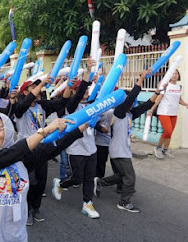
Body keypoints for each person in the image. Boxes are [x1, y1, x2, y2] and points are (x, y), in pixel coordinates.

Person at [0, 111, 86, 242]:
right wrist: (44, 131)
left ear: (8, 130)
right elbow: (12, 153)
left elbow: (53, 148)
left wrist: (82, 126)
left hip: (15, 235)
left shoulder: (20, 159)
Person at [95, 69, 160, 213]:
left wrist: (158, 91)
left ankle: (100, 182)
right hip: (118, 150)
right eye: (126, 100)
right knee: (130, 177)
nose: (131, 103)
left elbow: (147, 105)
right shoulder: (118, 113)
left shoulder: (130, 114)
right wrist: (141, 79)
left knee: (122, 175)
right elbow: (131, 98)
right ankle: (124, 202)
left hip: (124, 150)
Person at [14, 74, 72, 224]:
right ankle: (25, 209)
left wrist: (69, 86)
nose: (38, 90)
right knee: (28, 182)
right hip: (26, 149)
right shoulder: (19, 107)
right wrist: (42, 84)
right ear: (25, 92)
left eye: (38, 87)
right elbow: (24, 104)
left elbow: (61, 103)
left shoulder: (42, 105)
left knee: (40, 182)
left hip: (41, 147)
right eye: (33, 88)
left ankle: (35, 208)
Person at [51, 59, 101, 219]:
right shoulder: (70, 108)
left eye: (87, 90)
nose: (85, 92)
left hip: (91, 148)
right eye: (82, 90)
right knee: (77, 178)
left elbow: (94, 122)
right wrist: (87, 73)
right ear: (74, 92)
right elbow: (79, 93)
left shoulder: (91, 105)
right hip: (76, 148)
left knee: (89, 178)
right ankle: (60, 183)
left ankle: (87, 203)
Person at [149, 70, 188, 159]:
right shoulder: (165, 86)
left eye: (176, 74)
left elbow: (179, 99)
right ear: (169, 76)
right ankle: (158, 148)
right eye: (173, 74)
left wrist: (186, 104)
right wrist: (151, 110)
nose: (175, 75)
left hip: (173, 112)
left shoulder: (179, 87)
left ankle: (165, 150)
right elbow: (158, 99)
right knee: (168, 131)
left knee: (170, 133)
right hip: (164, 112)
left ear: (178, 75)